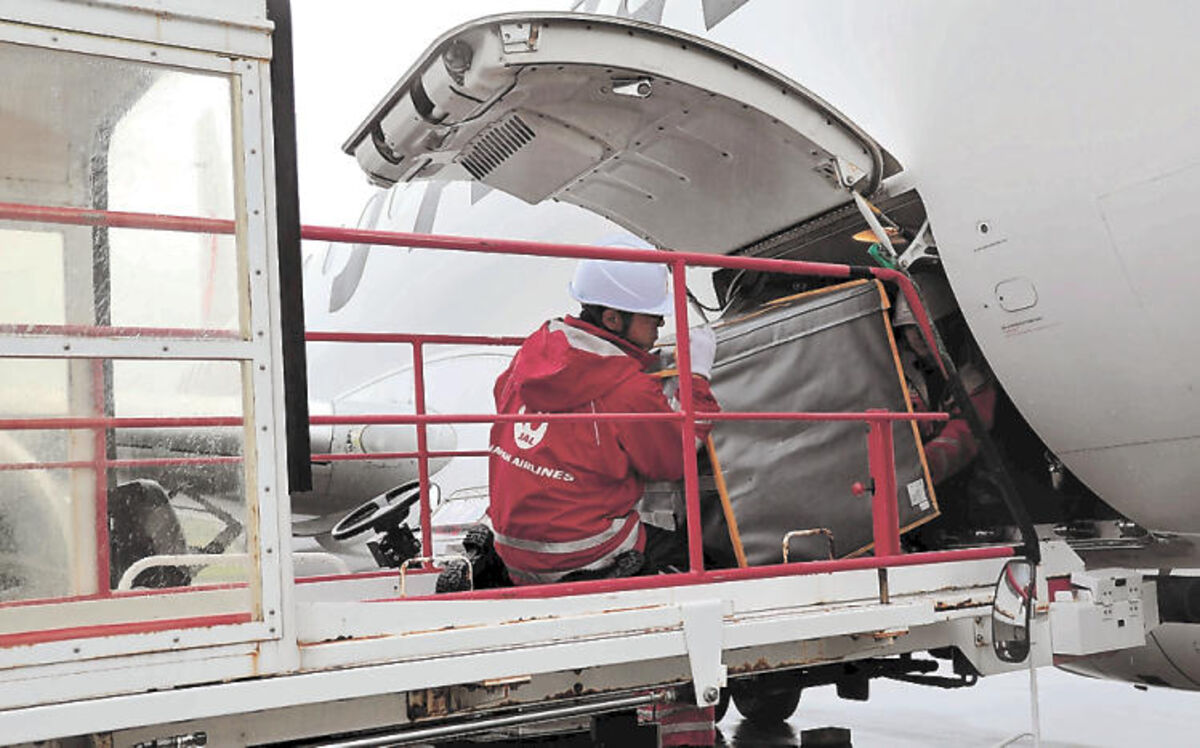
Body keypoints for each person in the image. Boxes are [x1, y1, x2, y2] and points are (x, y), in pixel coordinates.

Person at [487, 258, 720, 585]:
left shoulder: (528, 356)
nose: (660, 324)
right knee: (708, 567)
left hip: (510, 547)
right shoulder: (627, 387)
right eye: (653, 317)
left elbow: (501, 397)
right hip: (583, 551)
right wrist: (696, 376)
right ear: (612, 319)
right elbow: (675, 458)